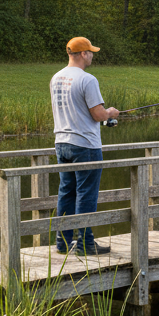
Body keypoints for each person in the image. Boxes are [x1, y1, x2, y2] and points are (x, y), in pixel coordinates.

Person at [50, 37, 119, 255]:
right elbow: (98, 114)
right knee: (86, 195)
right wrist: (111, 113)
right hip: (86, 145)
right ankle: (85, 244)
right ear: (82, 54)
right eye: (90, 52)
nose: (92, 55)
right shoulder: (88, 80)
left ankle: (62, 242)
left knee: (66, 193)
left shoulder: (56, 78)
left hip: (62, 143)